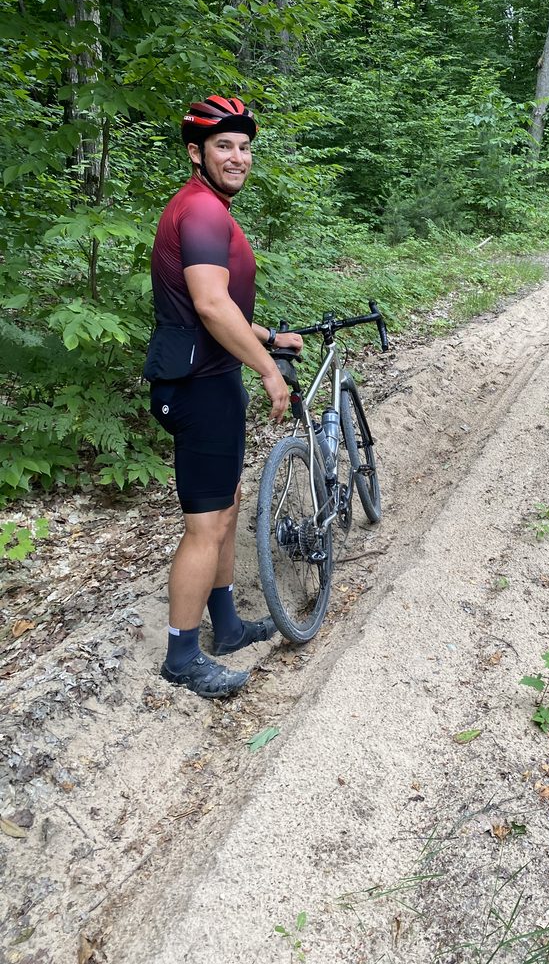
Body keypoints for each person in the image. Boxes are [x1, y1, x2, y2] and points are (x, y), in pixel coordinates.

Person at [143, 95, 303, 699]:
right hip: (199, 387)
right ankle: (183, 655)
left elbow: (217, 306)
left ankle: (228, 625)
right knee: (205, 523)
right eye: (223, 146)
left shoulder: (206, 207)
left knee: (227, 504)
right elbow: (210, 305)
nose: (238, 157)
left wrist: (263, 335)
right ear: (196, 153)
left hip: (210, 378)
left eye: (244, 147)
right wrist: (267, 367)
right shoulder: (202, 212)